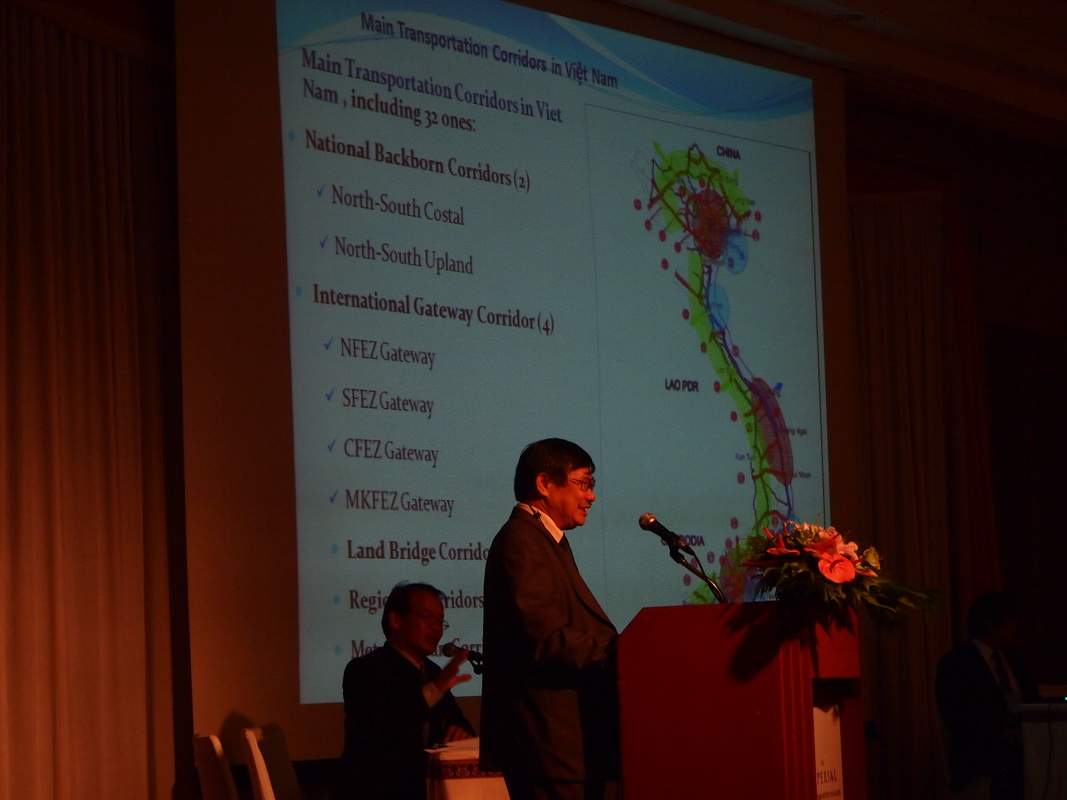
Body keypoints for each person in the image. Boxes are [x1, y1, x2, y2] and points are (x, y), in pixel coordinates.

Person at [481, 438, 620, 800]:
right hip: (550, 745)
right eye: (583, 483)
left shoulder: (546, 540)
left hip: (568, 747)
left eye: (592, 485)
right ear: (544, 483)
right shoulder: (522, 539)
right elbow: (545, 638)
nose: (591, 496)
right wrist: (623, 651)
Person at [334, 581, 475, 800]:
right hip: (378, 791)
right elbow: (382, 728)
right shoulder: (365, 669)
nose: (436, 628)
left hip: (427, 789)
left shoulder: (433, 671)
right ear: (396, 620)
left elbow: (458, 721)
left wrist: (461, 732)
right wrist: (434, 689)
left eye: (440, 621)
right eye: (427, 617)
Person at [935, 590, 1042, 800]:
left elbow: (1035, 705)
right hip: (983, 757)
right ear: (991, 623)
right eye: (1011, 619)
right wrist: (1004, 733)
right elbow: (957, 716)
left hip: (1027, 753)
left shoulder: (1017, 663)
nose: (1017, 624)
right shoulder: (956, 663)